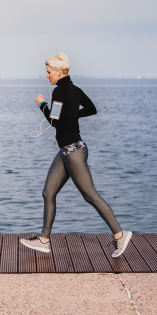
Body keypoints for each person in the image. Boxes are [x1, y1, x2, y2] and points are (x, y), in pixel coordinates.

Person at [20, 53, 132, 257]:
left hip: (74, 152)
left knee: (90, 195)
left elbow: (54, 121)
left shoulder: (59, 91)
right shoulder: (75, 90)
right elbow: (91, 109)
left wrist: (41, 104)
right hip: (66, 151)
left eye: (48, 72)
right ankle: (44, 240)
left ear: (58, 72)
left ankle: (120, 235)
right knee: (48, 193)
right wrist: (72, 115)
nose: (46, 76)